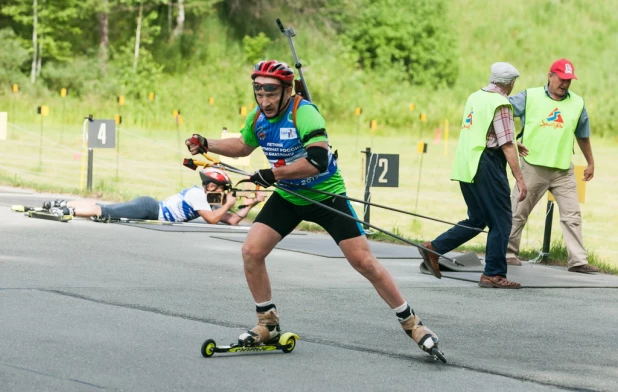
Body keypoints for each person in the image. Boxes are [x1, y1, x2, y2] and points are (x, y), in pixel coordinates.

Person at [185, 60, 442, 356]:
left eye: (271, 94)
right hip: (290, 197)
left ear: (286, 90)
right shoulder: (258, 117)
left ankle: (412, 323)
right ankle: (267, 323)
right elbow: (243, 145)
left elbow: (317, 161)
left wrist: (273, 174)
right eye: (259, 94)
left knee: (364, 262)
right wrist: (207, 143)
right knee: (252, 251)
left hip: (325, 196)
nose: (265, 102)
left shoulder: (304, 112)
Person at [418, 62, 528, 289]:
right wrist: (520, 178)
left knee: (477, 219)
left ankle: (434, 248)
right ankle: (494, 274)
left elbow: (484, 131)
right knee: (501, 221)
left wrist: (513, 143)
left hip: (466, 164)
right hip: (487, 165)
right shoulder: (501, 103)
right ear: (510, 83)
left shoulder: (476, 97)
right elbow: (505, 144)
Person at [505, 59, 599, 273]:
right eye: (561, 79)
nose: (565, 84)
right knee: (518, 211)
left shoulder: (577, 103)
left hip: (563, 170)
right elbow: (501, 112)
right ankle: (508, 252)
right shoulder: (530, 97)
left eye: (569, 80)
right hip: (533, 167)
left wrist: (590, 162)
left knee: (572, 215)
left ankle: (578, 261)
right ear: (550, 76)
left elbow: (582, 135)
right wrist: (511, 140)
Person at [43, 168, 263, 225]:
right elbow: (213, 219)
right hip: (149, 209)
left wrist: (250, 204)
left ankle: (62, 203)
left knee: (104, 207)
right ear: (212, 186)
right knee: (106, 211)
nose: (224, 194)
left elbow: (231, 219)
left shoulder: (208, 200)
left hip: (149, 207)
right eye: (223, 189)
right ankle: (66, 210)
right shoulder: (198, 195)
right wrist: (231, 202)